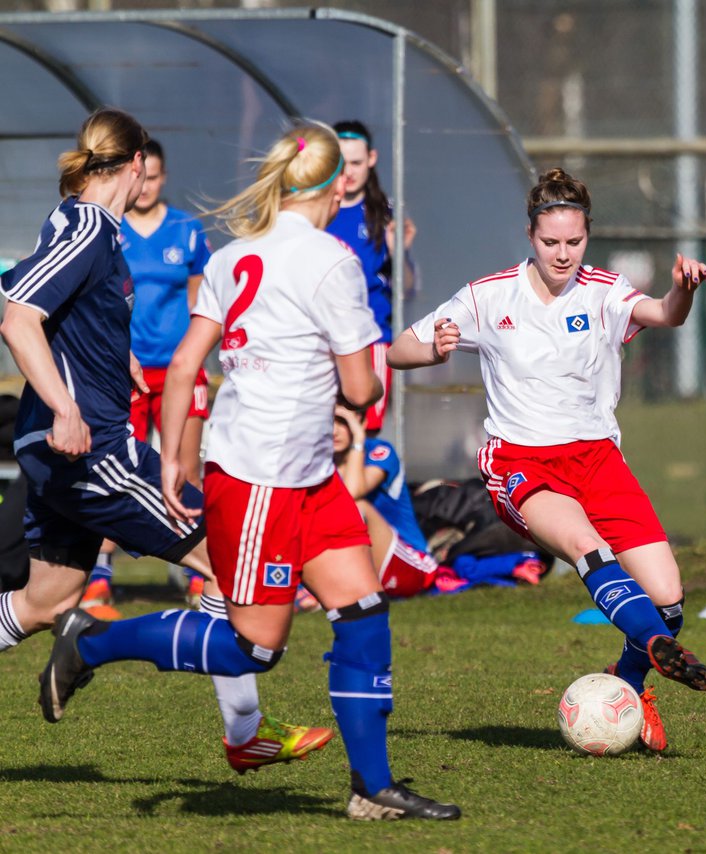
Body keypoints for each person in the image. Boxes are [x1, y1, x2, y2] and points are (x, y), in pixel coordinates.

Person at [39, 121, 460, 821]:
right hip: (262, 477)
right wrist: (368, 362)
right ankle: (96, 640)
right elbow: (361, 390)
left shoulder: (236, 256)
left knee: (362, 611)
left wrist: (175, 458)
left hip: (300, 473)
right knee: (253, 650)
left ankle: (372, 787)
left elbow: (183, 366)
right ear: (331, 187)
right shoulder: (332, 261)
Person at [0, 108, 332, 775]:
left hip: (64, 452)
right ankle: (245, 734)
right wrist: (67, 406)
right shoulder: (89, 225)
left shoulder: (82, 225)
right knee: (231, 559)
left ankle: (241, 728)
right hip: (90, 451)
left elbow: (41, 306)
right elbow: (18, 316)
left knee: (46, 600)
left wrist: (100, 357)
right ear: (134, 166)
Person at [386, 167, 706, 753]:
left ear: (587, 235)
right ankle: (660, 654)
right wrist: (431, 350)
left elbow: (665, 314)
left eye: (574, 241)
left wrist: (684, 289)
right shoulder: (489, 296)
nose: (563, 254)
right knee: (586, 546)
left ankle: (631, 680)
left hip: (597, 459)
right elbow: (399, 348)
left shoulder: (605, 290)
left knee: (666, 599)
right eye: (550, 242)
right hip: (522, 460)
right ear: (530, 236)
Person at [81, 138, 213, 613]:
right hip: (123, 369)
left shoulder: (188, 230)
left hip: (180, 369)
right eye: (143, 175)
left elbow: (202, 304)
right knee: (118, 469)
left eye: (155, 177)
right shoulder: (108, 230)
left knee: (188, 467)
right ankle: (99, 575)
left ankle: (200, 573)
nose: (146, 185)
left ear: (162, 177)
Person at [325, 120, 415, 436]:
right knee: (323, 430)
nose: (348, 172)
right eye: (341, 163)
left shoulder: (384, 213)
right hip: (322, 339)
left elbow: (407, 288)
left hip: (371, 338)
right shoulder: (318, 211)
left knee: (364, 430)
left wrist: (397, 252)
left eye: (356, 162)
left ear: (372, 159)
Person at [329, 404, 438, 602]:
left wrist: (358, 440)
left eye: (343, 422)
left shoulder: (380, 451)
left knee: (355, 507)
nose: (334, 430)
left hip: (414, 563)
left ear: (361, 422)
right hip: (366, 562)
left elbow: (352, 493)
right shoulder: (322, 461)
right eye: (329, 421)